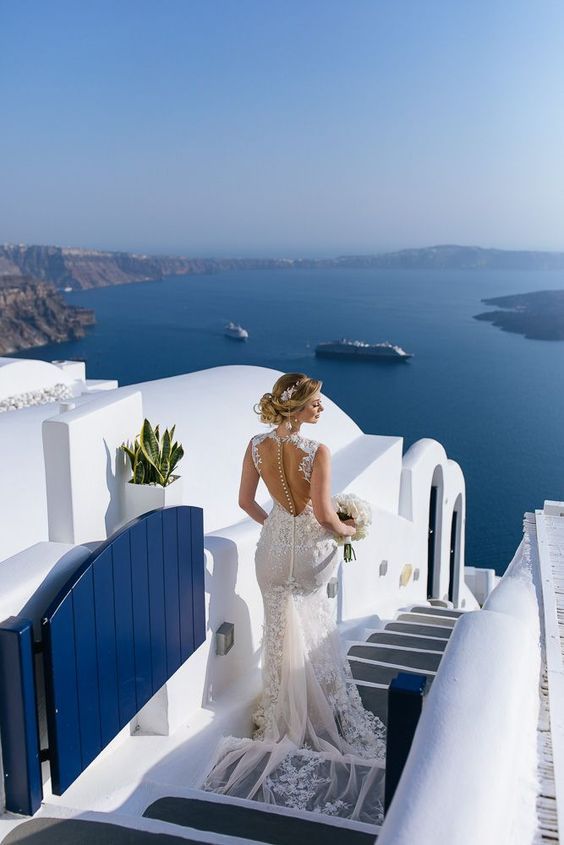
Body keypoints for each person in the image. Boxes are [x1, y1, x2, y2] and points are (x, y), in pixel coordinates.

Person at [202, 373, 386, 824]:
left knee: (282, 629)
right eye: (316, 402)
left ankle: (283, 711)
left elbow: (246, 502)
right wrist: (351, 529)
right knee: (310, 626)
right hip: (305, 552)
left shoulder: (255, 445)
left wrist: (276, 524)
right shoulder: (316, 451)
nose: (321, 409)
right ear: (298, 406)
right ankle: (311, 714)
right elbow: (324, 515)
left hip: (271, 549)